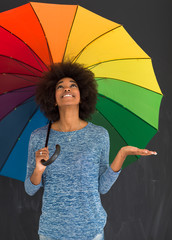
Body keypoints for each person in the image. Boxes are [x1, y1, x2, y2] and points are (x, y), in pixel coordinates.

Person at [24, 62, 157, 240]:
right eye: (60, 87)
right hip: (52, 232)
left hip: (91, 231)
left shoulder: (99, 135)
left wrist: (122, 154)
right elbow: (30, 189)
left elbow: (102, 187)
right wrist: (38, 171)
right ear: (53, 99)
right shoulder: (39, 137)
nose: (66, 89)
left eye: (73, 85)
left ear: (82, 95)